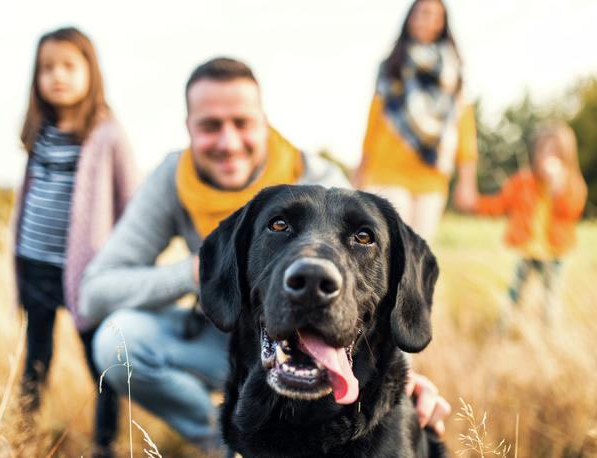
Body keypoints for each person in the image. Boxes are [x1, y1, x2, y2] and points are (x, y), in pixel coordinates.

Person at [79, 57, 451, 455]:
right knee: (117, 340)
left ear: (264, 122)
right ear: (188, 127)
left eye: (241, 123)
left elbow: (371, 285)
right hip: (231, 328)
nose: (228, 142)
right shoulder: (173, 179)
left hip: (330, 333)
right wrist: (201, 272)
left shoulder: (321, 179)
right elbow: (95, 292)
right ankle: (222, 442)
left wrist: (405, 378)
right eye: (210, 125)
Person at [12, 26, 137, 456]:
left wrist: (123, 265)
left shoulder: (107, 134)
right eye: (47, 68)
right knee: (36, 358)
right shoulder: (38, 131)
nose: (57, 76)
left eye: (68, 65)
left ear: (90, 71)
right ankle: (24, 434)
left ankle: (105, 443)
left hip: (88, 273)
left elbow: (132, 206)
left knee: (101, 359)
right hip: (34, 263)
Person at [355, 0, 479, 241]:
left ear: (443, 24)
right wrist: (360, 170)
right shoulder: (392, 66)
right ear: (410, 19)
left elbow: (464, 128)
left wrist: (467, 181)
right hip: (387, 170)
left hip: (431, 176)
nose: (428, 21)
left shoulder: (454, 73)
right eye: (423, 14)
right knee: (388, 246)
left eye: (436, 16)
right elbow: (374, 121)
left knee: (418, 252)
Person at [456, 122, 587, 323]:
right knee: (515, 293)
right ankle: (503, 328)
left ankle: (551, 332)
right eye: (545, 150)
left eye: (555, 151)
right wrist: (474, 204)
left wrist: (557, 187)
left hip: (554, 253)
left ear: (567, 155)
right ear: (536, 153)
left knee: (550, 298)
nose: (549, 156)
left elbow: (571, 211)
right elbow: (500, 204)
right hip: (528, 250)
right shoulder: (522, 182)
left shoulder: (572, 184)